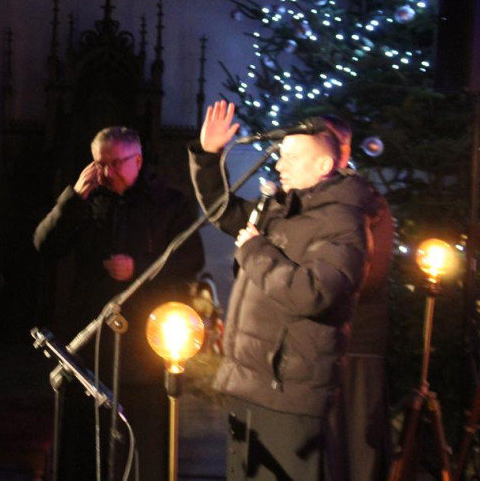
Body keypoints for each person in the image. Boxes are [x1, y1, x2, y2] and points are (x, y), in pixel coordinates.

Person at [189, 101, 369, 481]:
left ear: (324, 165)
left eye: (291, 157)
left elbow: (313, 293)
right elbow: (223, 212)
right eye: (280, 156)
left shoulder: (342, 222)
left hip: (290, 395)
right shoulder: (282, 207)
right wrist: (208, 157)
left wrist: (255, 250)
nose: (280, 166)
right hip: (251, 386)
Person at [34, 126, 205, 481]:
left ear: (138, 160)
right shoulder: (85, 199)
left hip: (144, 337)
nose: (106, 173)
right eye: (100, 163)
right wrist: (72, 199)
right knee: (86, 427)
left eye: (115, 163)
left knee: (139, 426)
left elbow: (191, 259)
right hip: (91, 332)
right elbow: (45, 245)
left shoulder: (168, 201)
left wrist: (138, 269)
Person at [321, 114, 395, 481]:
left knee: (357, 439)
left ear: (344, 150)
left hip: (357, 339)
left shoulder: (368, 201)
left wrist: (310, 287)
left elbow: (372, 275)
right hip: (314, 342)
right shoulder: (297, 198)